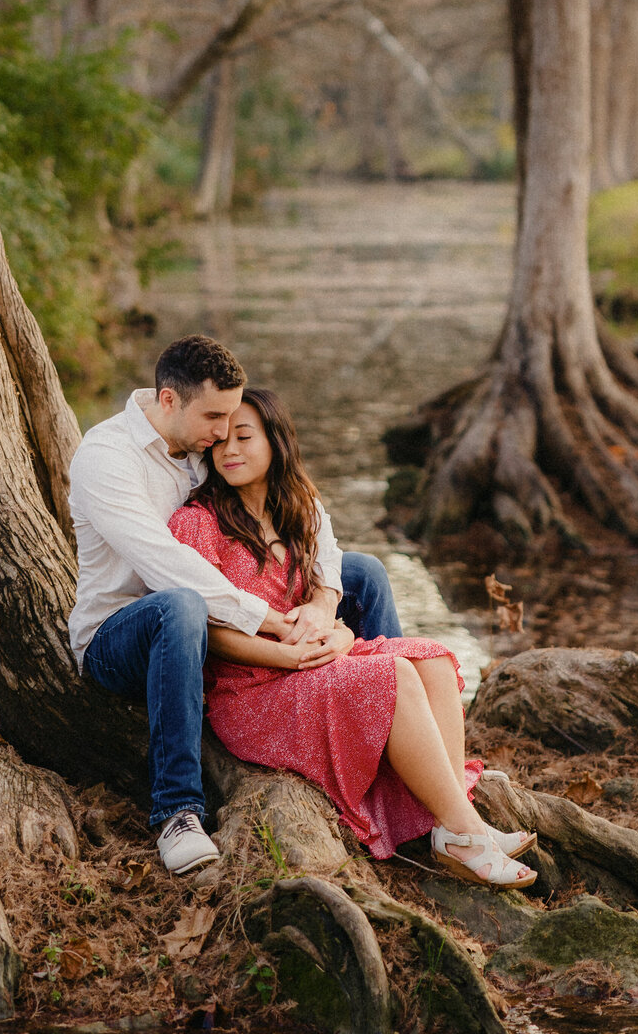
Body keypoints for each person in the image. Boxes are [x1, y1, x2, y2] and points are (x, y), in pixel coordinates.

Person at [169, 387, 537, 887]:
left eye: (244, 437)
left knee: (431, 657)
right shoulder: (197, 523)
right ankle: (465, 832)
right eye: (220, 442)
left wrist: (340, 638)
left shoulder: (296, 511)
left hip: (310, 665)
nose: (229, 450)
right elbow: (212, 636)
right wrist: (291, 657)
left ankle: (454, 817)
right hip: (251, 690)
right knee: (396, 675)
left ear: (275, 442)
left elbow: (327, 595)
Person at [68, 335, 402, 876]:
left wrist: (322, 601)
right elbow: (167, 567)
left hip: (213, 623)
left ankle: (412, 742)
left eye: (232, 419)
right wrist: (273, 622)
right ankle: (177, 810)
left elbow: (298, 500)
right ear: (169, 401)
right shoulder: (107, 458)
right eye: (215, 416)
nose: (224, 434)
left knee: (361, 571)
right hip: (121, 635)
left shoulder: (199, 442)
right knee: (178, 607)